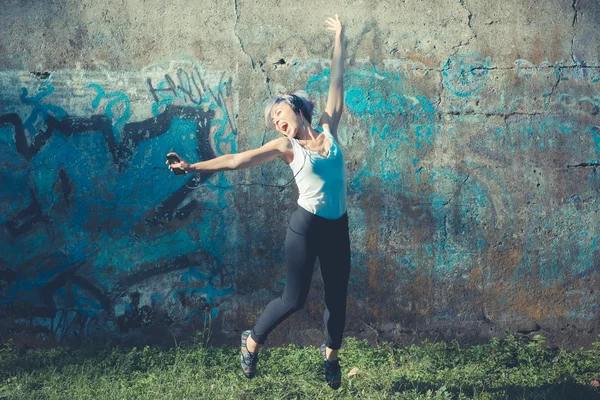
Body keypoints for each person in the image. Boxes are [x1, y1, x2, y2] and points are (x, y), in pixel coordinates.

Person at [166, 14, 348, 390]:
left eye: (279, 114)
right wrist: (192, 166)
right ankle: (252, 342)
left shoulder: (329, 128)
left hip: (338, 227)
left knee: (337, 298)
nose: (276, 122)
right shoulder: (287, 146)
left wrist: (339, 40)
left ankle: (330, 358)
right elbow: (236, 160)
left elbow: (336, 82)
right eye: (272, 122)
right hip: (307, 228)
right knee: (293, 300)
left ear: (297, 108)